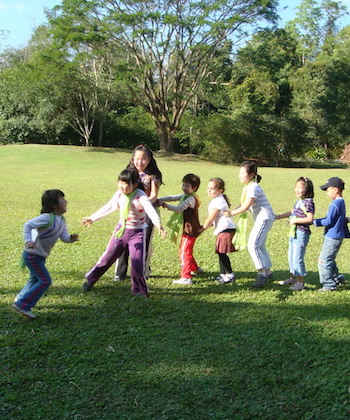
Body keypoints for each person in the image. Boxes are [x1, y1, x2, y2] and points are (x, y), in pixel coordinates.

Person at [82, 168, 165, 297]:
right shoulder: (119, 195)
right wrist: (92, 218)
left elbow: (149, 209)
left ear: (134, 185)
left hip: (137, 233)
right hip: (121, 230)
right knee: (108, 257)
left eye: (125, 183)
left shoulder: (140, 195)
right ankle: (91, 279)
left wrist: (158, 225)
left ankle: (138, 289)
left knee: (137, 262)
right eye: (120, 182)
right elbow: (109, 207)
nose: (121, 186)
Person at [13, 190, 79, 319]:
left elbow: (64, 236)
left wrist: (70, 238)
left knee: (34, 279)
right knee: (45, 281)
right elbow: (28, 225)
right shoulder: (47, 217)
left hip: (40, 256)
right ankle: (23, 305)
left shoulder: (61, 220)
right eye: (62, 199)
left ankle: (20, 299)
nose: (66, 201)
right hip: (32, 255)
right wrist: (28, 241)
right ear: (54, 205)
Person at [115, 144, 163, 281]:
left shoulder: (153, 176)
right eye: (137, 159)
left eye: (143, 159)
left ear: (149, 160)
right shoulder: (129, 174)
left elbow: (154, 195)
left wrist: (143, 203)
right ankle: (120, 272)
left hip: (148, 213)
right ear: (132, 159)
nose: (139, 162)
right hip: (129, 212)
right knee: (123, 240)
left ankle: (143, 270)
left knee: (144, 243)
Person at [229, 161, 275, 287]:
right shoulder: (248, 187)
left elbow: (246, 206)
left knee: (253, 245)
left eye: (242, 173)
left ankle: (262, 273)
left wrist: (231, 213)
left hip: (264, 218)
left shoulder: (253, 187)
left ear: (251, 175)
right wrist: (231, 210)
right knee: (260, 246)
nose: (240, 176)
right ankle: (268, 272)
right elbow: (243, 204)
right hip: (262, 218)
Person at [158, 174, 201, 285]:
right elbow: (173, 197)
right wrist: (159, 199)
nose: (184, 188)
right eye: (183, 185)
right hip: (189, 229)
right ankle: (195, 269)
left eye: (187, 186)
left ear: (194, 188)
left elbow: (179, 209)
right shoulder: (186, 196)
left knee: (184, 252)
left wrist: (164, 205)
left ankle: (186, 277)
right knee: (186, 249)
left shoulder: (191, 198)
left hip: (190, 230)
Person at [275, 177, 315, 291]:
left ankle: (300, 283)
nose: (297, 190)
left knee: (298, 258)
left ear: (307, 190)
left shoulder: (308, 203)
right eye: (296, 187)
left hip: (301, 233)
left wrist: (295, 221)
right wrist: (278, 217)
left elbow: (310, 219)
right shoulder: (299, 201)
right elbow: (292, 212)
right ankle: (292, 278)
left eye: (300, 188)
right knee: (291, 256)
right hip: (294, 232)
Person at [313, 177, 349, 292]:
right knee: (330, 259)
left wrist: (314, 222)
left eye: (328, 190)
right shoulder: (342, 202)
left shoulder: (334, 204)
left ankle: (329, 284)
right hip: (338, 236)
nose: (327, 193)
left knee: (324, 261)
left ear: (336, 189)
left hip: (332, 236)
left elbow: (329, 221)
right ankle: (337, 277)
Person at [199, 178, 237, 284]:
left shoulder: (219, 201)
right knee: (220, 252)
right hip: (222, 230)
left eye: (212, 189)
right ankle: (222, 274)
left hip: (226, 229)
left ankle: (229, 274)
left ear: (220, 190)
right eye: (208, 188)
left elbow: (211, 218)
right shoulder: (216, 200)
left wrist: (201, 229)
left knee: (222, 253)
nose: (209, 191)